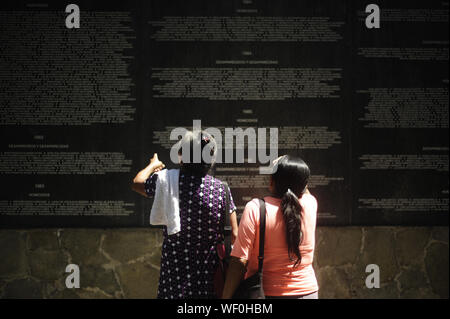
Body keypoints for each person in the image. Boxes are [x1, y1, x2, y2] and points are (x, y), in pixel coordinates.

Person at [131, 130, 238, 299]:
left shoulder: (166, 180)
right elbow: (234, 234)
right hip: (208, 279)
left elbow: (138, 183)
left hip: (173, 277)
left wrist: (153, 165)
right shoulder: (221, 189)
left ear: (181, 155)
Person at [222, 155, 319, 299]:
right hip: (308, 292)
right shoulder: (310, 204)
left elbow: (240, 261)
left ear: (272, 181)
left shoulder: (255, 209)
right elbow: (303, 189)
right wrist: (294, 171)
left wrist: (225, 296)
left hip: (267, 294)